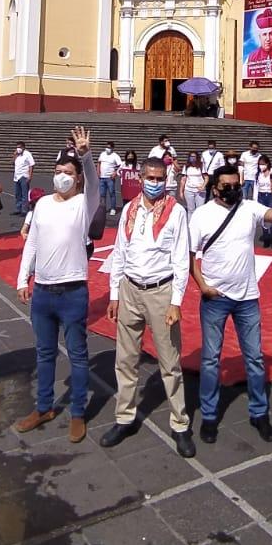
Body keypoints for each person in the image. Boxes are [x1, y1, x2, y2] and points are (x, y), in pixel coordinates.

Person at [101, 157, 195, 458]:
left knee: (170, 362)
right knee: (126, 359)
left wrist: (176, 302)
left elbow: (182, 260)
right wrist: (114, 293)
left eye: (160, 178)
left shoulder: (176, 212)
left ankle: (180, 424)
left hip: (160, 291)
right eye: (150, 177)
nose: (155, 183)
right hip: (130, 289)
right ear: (140, 178)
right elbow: (119, 252)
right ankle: (124, 418)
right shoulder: (129, 209)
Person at [15, 127, 100, 443]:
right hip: (43, 293)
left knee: (78, 355)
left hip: (73, 291)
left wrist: (85, 155)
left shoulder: (84, 204)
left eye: (68, 172)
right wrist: (24, 277)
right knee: (44, 353)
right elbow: (33, 242)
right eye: (58, 171)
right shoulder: (42, 205)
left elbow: (93, 184)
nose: (62, 176)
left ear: (77, 178)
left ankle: (78, 412)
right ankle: (44, 407)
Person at [190, 164, 272, 445]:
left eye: (236, 185)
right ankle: (209, 416)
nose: (233, 190)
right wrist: (203, 286)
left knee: (254, 359)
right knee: (210, 360)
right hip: (215, 299)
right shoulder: (201, 215)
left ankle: (260, 413)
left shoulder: (249, 208)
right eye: (227, 186)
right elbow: (190, 255)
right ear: (215, 188)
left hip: (247, 298)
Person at [254, 155, 272, 247]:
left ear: (267, 164)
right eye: (259, 164)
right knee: (263, 218)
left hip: (270, 196)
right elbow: (256, 187)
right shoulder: (258, 174)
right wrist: (255, 200)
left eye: (263, 164)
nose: (261, 166)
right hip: (261, 196)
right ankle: (266, 238)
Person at [98, 141, 124, 216]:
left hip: (110, 178)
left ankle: (113, 208)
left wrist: (115, 173)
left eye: (109, 147)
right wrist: (98, 172)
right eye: (107, 147)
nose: (107, 149)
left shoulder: (115, 156)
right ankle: (103, 208)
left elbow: (121, 165)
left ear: (112, 148)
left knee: (112, 193)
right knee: (102, 194)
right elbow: (99, 163)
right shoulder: (102, 154)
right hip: (102, 177)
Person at [180, 151, 207, 216]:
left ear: (197, 157)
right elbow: (183, 180)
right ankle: (190, 225)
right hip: (189, 190)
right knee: (190, 209)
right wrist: (181, 191)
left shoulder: (201, 166)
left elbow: (206, 177)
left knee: (200, 209)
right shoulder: (186, 167)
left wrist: (203, 186)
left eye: (194, 156)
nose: (192, 158)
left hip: (200, 191)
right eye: (191, 156)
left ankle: (199, 225)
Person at [13, 141, 35, 216]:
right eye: (17, 147)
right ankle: (18, 208)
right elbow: (13, 162)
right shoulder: (17, 155)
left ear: (23, 147)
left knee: (24, 194)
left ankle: (24, 210)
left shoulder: (27, 154)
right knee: (17, 193)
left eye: (20, 147)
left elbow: (31, 165)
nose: (18, 148)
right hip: (16, 176)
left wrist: (30, 175)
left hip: (24, 176)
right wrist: (14, 155)